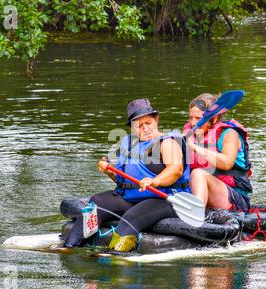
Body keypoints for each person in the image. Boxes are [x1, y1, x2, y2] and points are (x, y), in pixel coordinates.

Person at [62, 98, 190, 252]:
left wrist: (155, 181)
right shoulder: (129, 144)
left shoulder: (167, 142)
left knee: (132, 216)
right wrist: (110, 172)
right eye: (139, 125)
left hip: (164, 199)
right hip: (132, 198)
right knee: (96, 202)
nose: (145, 129)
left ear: (156, 119)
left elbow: (176, 170)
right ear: (132, 127)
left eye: (148, 123)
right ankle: (69, 247)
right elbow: (123, 181)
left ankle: (115, 255)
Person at [183, 93, 252, 211]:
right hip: (201, 191)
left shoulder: (229, 134)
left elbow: (226, 163)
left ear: (214, 118)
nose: (193, 123)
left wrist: (194, 147)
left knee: (198, 173)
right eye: (191, 118)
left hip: (234, 197)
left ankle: (196, 213)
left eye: (199, 118)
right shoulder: (190, 134)